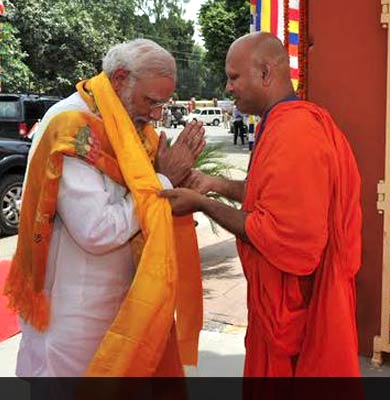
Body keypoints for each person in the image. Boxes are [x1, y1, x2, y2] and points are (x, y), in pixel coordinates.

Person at [159, 32, 363, 377]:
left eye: (234, 77)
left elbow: (287, 236)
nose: (227, 87)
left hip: (300, 317)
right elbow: (275, 196)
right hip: (282, 309)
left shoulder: (296, 130)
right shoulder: (287, 122)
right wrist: (217, 184)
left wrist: (203, 204)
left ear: (266, 73)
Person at [4, 38, 206, 377]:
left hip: (118, 300)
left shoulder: (130, 126)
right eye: (152, 101)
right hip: (74, 314)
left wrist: (176, 190)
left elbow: (139, 199)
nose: (156, 114)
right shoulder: (72, 127)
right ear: (120, 78)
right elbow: (97, 231)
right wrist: (164, 181)